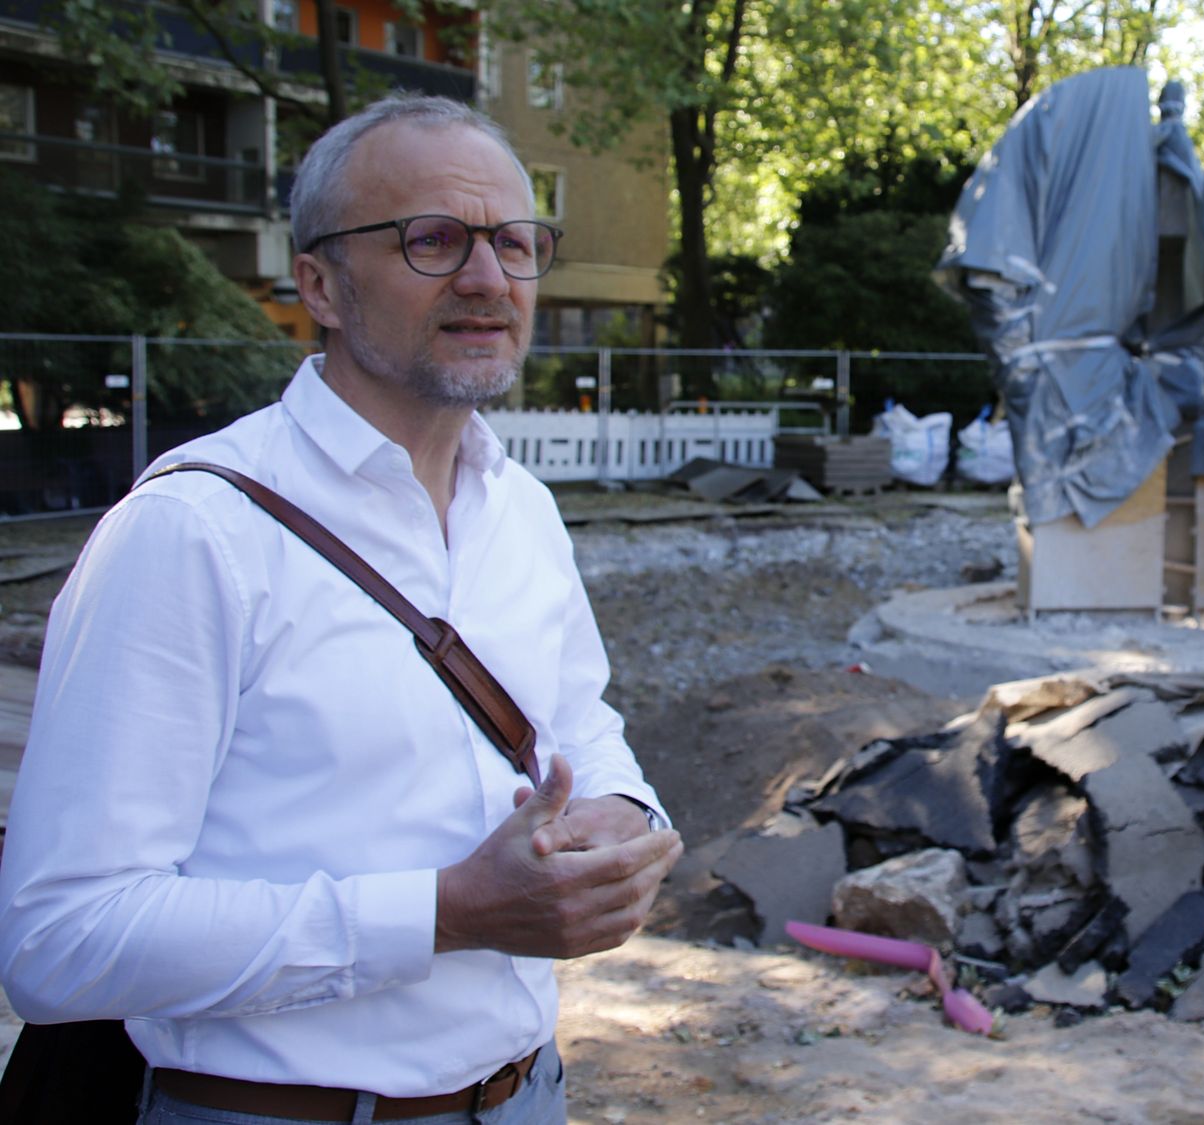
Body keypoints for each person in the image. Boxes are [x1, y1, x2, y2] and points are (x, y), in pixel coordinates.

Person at [0, 94, 682, 1123]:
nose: (488, 278)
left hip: (524, 1097)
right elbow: (61, 941)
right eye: (433, 240)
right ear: (317, 281)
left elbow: (580, 734)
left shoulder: (522, 510)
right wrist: (441, 915)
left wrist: (629, 824)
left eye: (516, 241)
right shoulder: (192, 533)